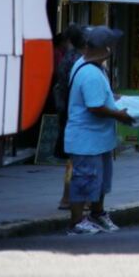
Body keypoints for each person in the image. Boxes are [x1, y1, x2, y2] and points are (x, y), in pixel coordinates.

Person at [64, 27, 135, 235]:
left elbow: (100, 98)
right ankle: (77, 222)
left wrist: (114, 98)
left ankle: (97, 214)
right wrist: (120, 115)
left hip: (98, 139)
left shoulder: (92, 67)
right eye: (111, 46)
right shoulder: (90, 73)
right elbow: (94, 107)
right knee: (84, 180)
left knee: (101, 181)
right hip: (86, 140)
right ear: (105, 49)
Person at [53, 24, 86, 210]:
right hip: (76, 114)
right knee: (77, 159)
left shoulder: (67, 59)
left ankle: (67, 196)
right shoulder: (79, 60)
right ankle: (70, 197)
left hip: (67, 111)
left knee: (72, 159)